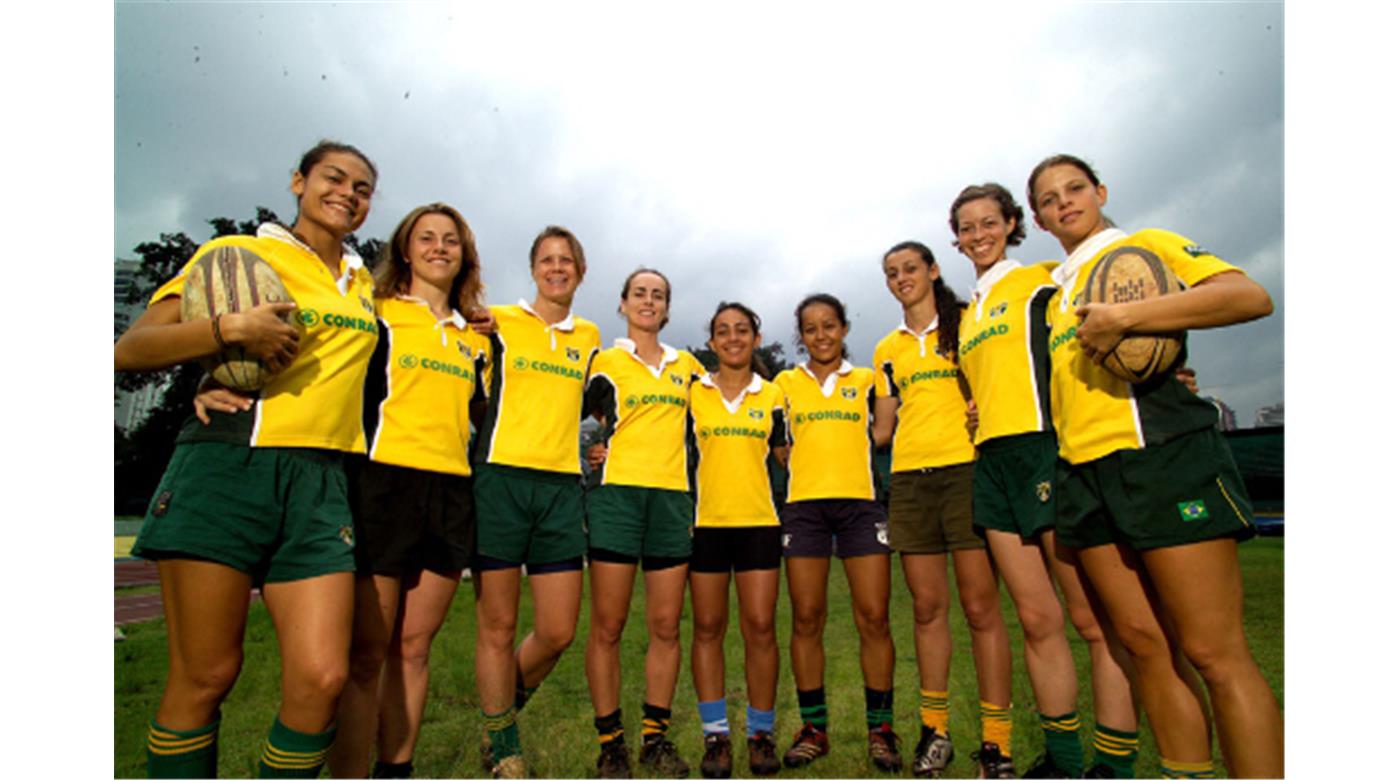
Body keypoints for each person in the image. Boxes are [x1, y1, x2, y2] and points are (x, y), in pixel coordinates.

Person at [114, 140, 379, 778]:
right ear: (298, 182)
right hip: (230, 463)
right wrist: (229, 333)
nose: (347, 193)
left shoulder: (362, 281)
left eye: (363, 188)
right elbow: (130, 348)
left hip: (322, 483)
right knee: (205, 674)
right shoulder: (237, 253)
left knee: (322, 678)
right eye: (333, 178)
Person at [1027, 153, 1281, 779]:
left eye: (1075, 188)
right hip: (1083, 476)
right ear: (1037, 219)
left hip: (1164, 456)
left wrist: (1127, 316)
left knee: (1213, 652)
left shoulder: (1145, 248)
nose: (1065, 203)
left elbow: (1249, 296)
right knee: (1147, 648)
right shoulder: (1054, 292)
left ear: (1101, 190)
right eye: (1050, 199)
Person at [947, 182, 1140, 778]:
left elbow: (1105, 325)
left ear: (1010, 224)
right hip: (992, 462)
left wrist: (1165, 368)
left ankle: (1114, 763)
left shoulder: (1042, 279)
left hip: (1044, 453)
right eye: (966, 227)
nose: (978, 235)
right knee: (1035, 619)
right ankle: (1060, 759)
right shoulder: (967, 312)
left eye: (988, 222)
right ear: (956, 239)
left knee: (1091, 620)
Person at [322, 203, 491, 778]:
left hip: (450, 496)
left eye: (451, 240)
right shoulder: (376, 313)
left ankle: (396, 770)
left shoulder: (477, 341)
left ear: (464, 255)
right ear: (404, 248)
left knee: (414, 650)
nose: (439, 248)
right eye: (427, 238)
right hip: (382, 487)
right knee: (367, 655)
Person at [870, 246, 1016, 778]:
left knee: (981, 610)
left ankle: (997, 743)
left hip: (967, 473)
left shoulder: (969, 325)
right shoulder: (886, 349)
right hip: (909, 481)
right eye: (891, 273)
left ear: (933, 270)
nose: (901, 279)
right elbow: (882, 431)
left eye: (910, 268)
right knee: (927, 611)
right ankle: (936, 733)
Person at [472, 226, 602, 779]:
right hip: (499, 481)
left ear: (581, 270)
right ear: (532, 269)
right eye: (547, 260)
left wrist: (607, 444)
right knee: (497, 628)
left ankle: (497, 716)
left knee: (557, 632)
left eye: (567, 260)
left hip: (559, 490)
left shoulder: (590, 337)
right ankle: (506, 751)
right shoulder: (497, 322)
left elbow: (609, 406)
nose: (557, 268)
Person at [579, 268, 703, 779]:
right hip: (616, 499)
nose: (648, 301)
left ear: (668, 308)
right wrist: (589, 449)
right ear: (623, 304)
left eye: (658, 295)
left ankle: (656, 739)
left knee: (666, 626)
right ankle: (612, 744)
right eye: (639, 294)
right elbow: (578, 422)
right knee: (608, 625)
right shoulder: (603, 361)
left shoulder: (689, 366)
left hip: (672, 501)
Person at [774, 294, 901, 774]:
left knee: (874, 617)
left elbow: (885, 434)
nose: (821, 335)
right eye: (810, 328)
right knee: (806, 617)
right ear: (800, 336)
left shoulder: (869, 379)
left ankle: (882, 730)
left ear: (844, 328)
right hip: (804, 510)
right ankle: (813, 730)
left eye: (830, 325)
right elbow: (776, 443)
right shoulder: (783, 383)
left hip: (861, 508)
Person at [686, 302, 788, 779]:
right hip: (706, 526)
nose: (732, 338)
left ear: (755, 337)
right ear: (711, 342)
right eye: (722, 331)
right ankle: (717, 737)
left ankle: (761, 735)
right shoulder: (693, 393)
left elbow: (793, 456)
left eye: (741, 330)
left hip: (758, 525)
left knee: (760, 628)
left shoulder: (774, 396)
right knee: (707, 629)